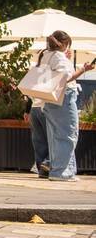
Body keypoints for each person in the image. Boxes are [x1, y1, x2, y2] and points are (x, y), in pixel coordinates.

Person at [35, 30, 95, 182]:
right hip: (64, 98)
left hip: (50, 100)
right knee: (68, 135)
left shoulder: (46, 55)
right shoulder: (58, 57)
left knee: (55, 136)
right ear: (65, 44)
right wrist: (83, 69)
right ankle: (61, 172)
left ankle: (61, 170)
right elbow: (66, 78)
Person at [27, 97, 50, 178]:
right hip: (46, 106)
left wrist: (27, 110)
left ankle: (42, 170)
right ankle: (47, 163)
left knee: (39, 142)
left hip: (34, 107)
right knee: (52, 139)